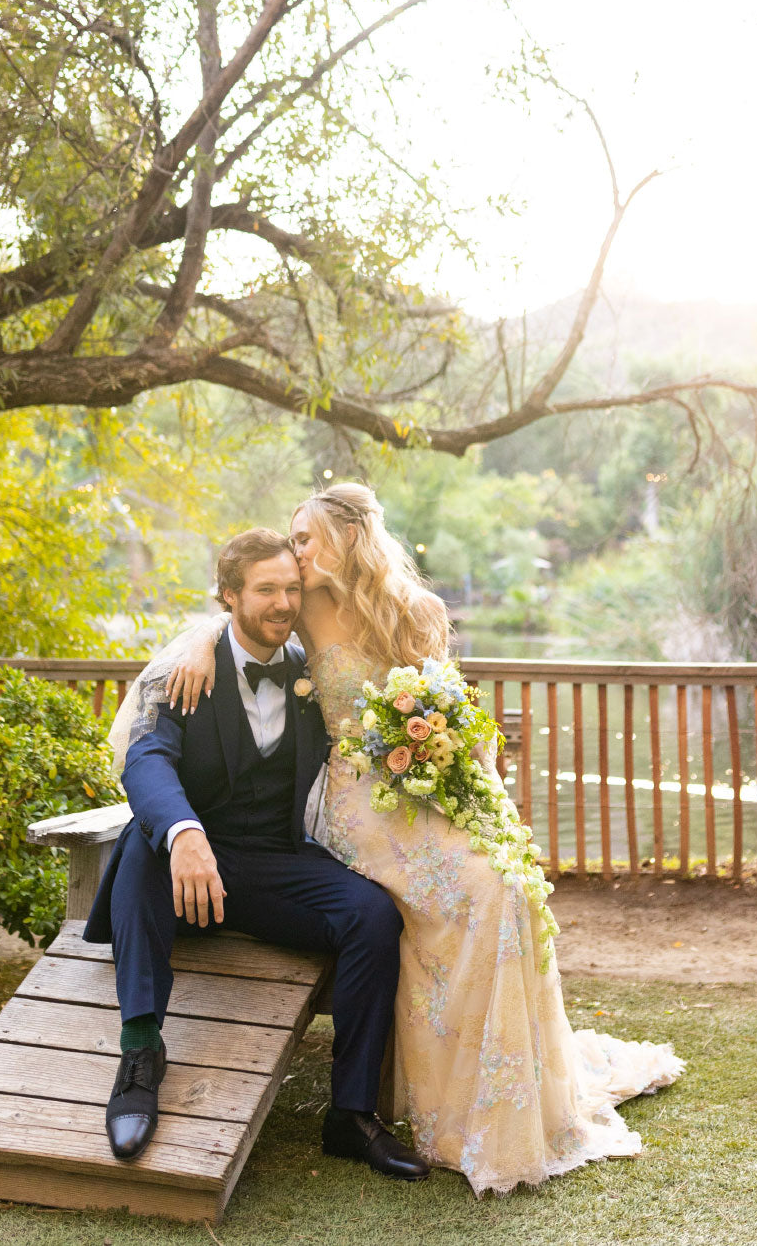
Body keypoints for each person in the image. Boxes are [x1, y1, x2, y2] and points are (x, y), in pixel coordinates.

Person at [152, 484, 684, 1196]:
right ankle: (443, 1097)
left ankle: (497, 1094)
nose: (297, 551)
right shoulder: (299, 602)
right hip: (351, 798)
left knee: (503, 884)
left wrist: (486, 800)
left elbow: (451, 708)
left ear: (347, 536)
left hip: (421, 784)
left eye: (306, 537)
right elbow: (236, 614)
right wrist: (196, 641)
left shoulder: (417, 610)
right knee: (461, 895)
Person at [86, 527, 429, 1180]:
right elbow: (146, 758)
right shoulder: (183, 667)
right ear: (228, 597)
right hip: (186, 866)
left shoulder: (311, 672)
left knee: (373, 915)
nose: (282, 602)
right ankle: (138, 1056)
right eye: (266, 589)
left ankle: (351, 1115)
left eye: (291, 588)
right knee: (143, 843)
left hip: (273, 861)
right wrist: (186, 833)